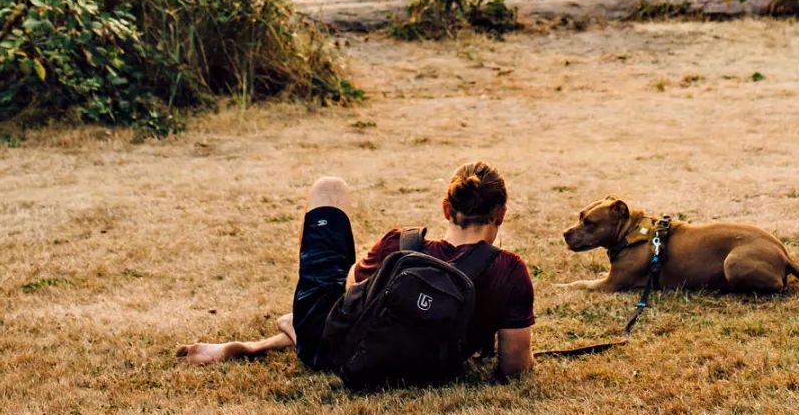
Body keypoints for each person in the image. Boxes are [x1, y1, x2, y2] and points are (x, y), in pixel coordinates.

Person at [177, 161, 535, 380]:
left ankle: (296, 329)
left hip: (334, 351)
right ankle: (277, 336)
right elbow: (514, 368)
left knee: (329, 188)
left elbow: (349, 297)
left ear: (446, 209)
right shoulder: (509, 270)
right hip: (430, 366)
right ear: (501, 215)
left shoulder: (399, 243)